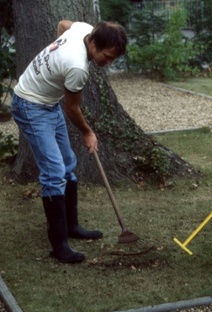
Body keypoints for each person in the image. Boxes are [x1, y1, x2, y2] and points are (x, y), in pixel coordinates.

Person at [11, 20, 127, 264]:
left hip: (48, 103)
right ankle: (59, 245)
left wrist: (55, 55)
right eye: (107, 56)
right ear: (93, 44)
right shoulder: (77, 67)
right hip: (30, 106)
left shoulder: (85, 30)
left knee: (66, 165)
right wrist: (87, 132)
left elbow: (64, 24)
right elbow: (72, 108)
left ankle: (72, 226)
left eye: (113, 59)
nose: (108, 63)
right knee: (54, 173)